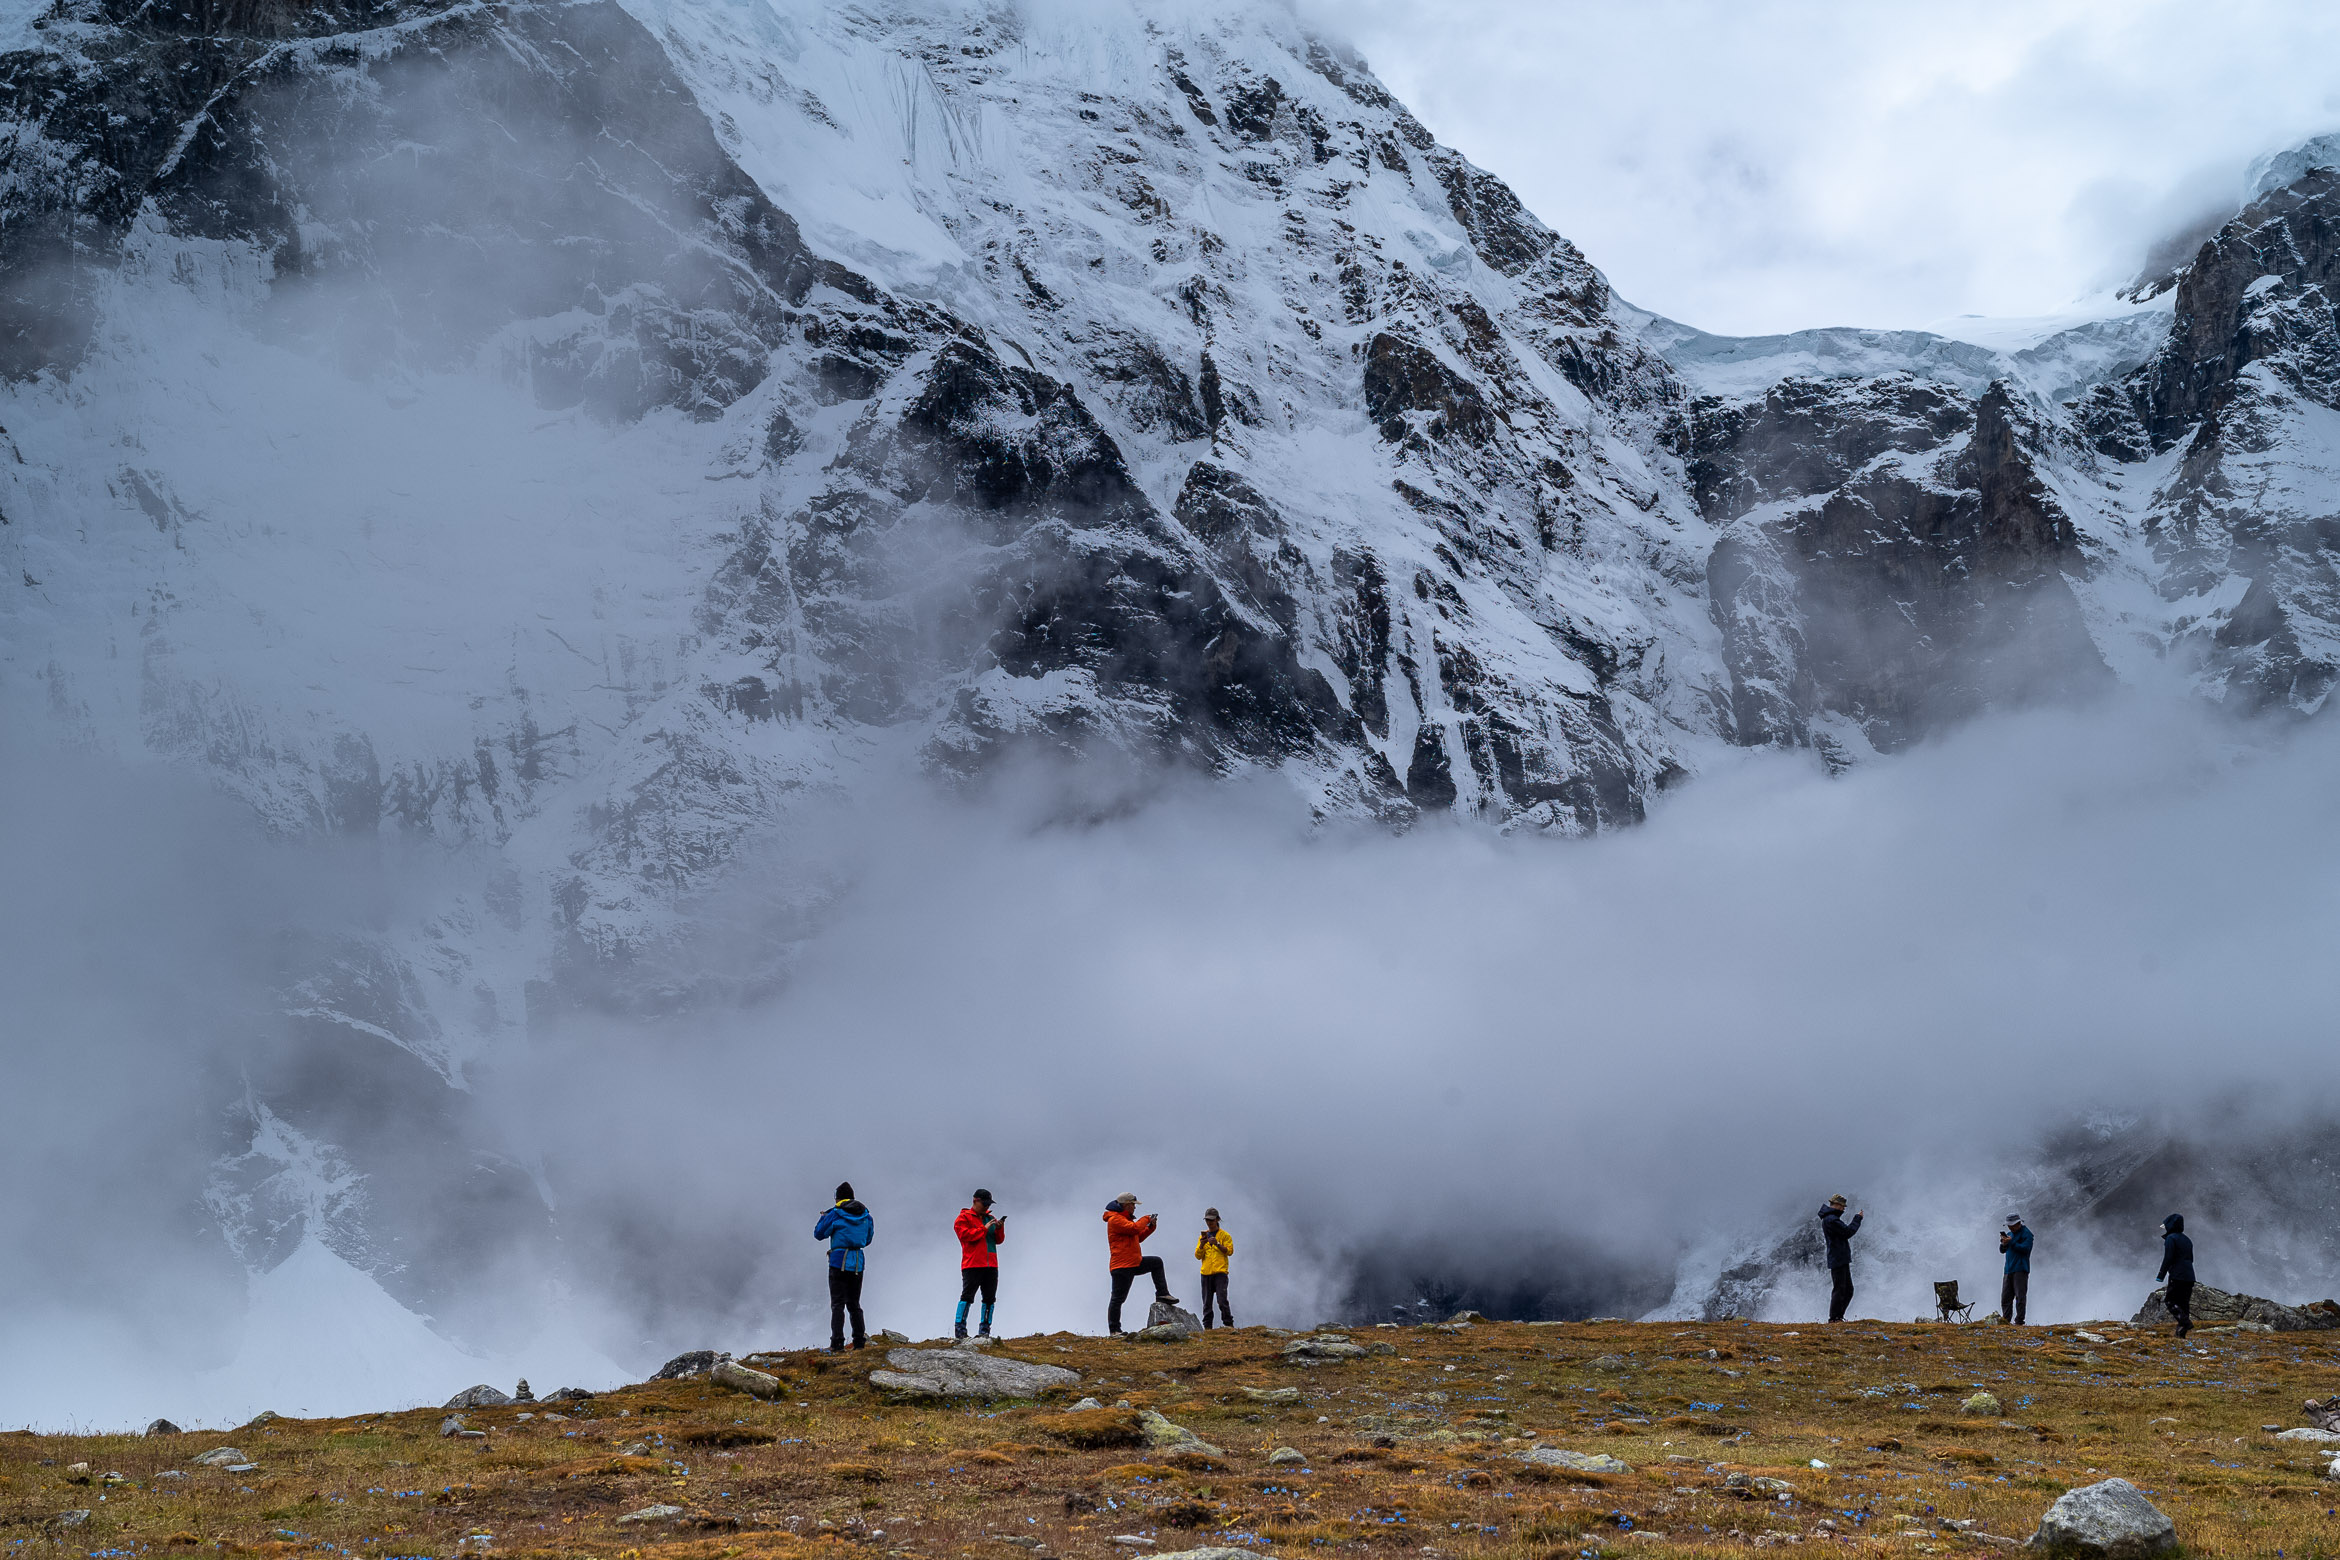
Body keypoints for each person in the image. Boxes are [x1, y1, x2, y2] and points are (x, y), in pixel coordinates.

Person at [813, 1181, 874, 1353]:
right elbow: (868, 1239)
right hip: (857, 1263)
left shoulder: (835, 1214)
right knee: (854, 1304)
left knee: (837, 1304)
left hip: (838, 1262)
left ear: (838, 1198)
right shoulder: (866, 1216)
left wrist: (824, 1216)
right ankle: (859, 1342)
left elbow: (818, 1233)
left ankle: (837, 1343)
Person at [1104, 1193, 1178, 1334]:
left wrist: (1150, 1227)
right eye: (1133, 1204)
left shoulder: (1124, 1220)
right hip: (1122, 1266)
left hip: (1132, 1262)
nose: (1134, 1207)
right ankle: (1114, 1330)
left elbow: (1138, 1237)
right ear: (1126, 1205)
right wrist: (1146, 1218)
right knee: (1118, 1299)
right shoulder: (1115, 1220)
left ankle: (1162, 1294)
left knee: (1156, 1262)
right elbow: (1135, 1229)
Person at [953, 1189, 1006, 1339]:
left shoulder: (990, 1218)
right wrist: (983, 1229)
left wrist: (999, 1228)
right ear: (975, 1201)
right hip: (972, 1264)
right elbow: (966, 1236)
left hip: (991, 1265)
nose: (986, 1207)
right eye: (984, 1204)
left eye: (988, 1204)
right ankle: (960, 1330)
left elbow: (998, 1240)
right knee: (967, 1296)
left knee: (989, 1298)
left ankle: (985, 1331)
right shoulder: (963, 1218)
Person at [1818, 1194, 1864, 1322]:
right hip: (1838, 1258)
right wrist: (1857, 1218)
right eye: (1843, 1206)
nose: (1843, 1209)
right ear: (1837, 1205)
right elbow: (1848, 1232)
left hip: (1838, 1258)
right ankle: (1835, 1318)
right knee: (1841, 1289)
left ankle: (1838, 1317)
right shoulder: (1832, 1220)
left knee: (1846, 1289)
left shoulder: (1829, 1219)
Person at [2158, 1213, 2195, 1338]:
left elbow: (2168, 1258)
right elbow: (2191, 1258)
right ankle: (2181, 1334)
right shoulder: (2187, 1240)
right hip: (2189, 1276)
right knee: (2184, 1303)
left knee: (2170, 1301)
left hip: (2177, 1275)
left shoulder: (2171, 1238)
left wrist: (2161, 1275)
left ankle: (2185, 1323)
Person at [1195, 1208, 1233, 1329]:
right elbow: (1198, 1256)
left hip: (1220, 1272)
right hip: (1206, 1273)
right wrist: (1202, 1244)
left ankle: (1228, 1324)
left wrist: (1217, 1244)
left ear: (1217, 1219)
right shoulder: (1202, 1237)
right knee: (1207, 1303)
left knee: (1222, 1300)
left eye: (1211, 1220)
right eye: (1207, 1220)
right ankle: (1208, 1328)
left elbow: (1229, 1251)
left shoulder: (1225, 1236)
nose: (1209, 1222)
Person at [1999, 1214, 2033, 1326]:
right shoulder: (2009, 1234)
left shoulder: (2027, 1234)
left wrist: (2011, 1242)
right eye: (2009, 1225)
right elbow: (2002, 1250)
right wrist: (2004, 1244)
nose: (2010, 1227)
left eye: (2012, 1225)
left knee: (2020, 1297)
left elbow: (2026, 1249)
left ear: (2018, 1223)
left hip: (2020, 1269)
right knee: (2006, 1297)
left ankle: (2019, 1321)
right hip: (2008, 1269)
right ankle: (2006, 1320)